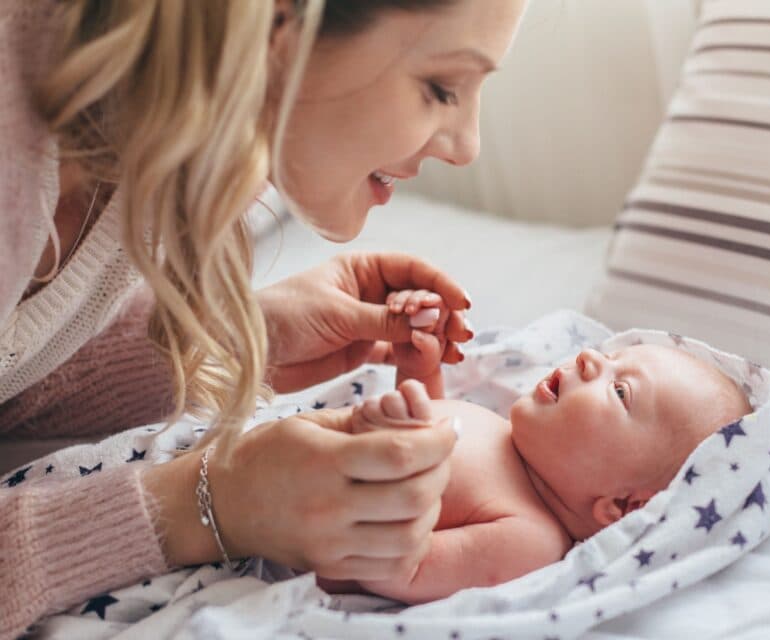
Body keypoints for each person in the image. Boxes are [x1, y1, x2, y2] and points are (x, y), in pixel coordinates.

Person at [0, 0, 527, 636]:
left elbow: (13, 366)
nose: (468, 146)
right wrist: (204, 506)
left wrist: (228, 339)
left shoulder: (142, 134)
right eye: (442, 87)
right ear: (279, 24)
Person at [315, 292, 752, 604]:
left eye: (620, 390)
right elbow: (433, 425)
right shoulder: (504, 434)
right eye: (613, 357)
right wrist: (418, 373)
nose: (590, 358)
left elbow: (404, 569)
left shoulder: (531, 539)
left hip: (297, 517)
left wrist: (386, 461)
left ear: (621, 506)